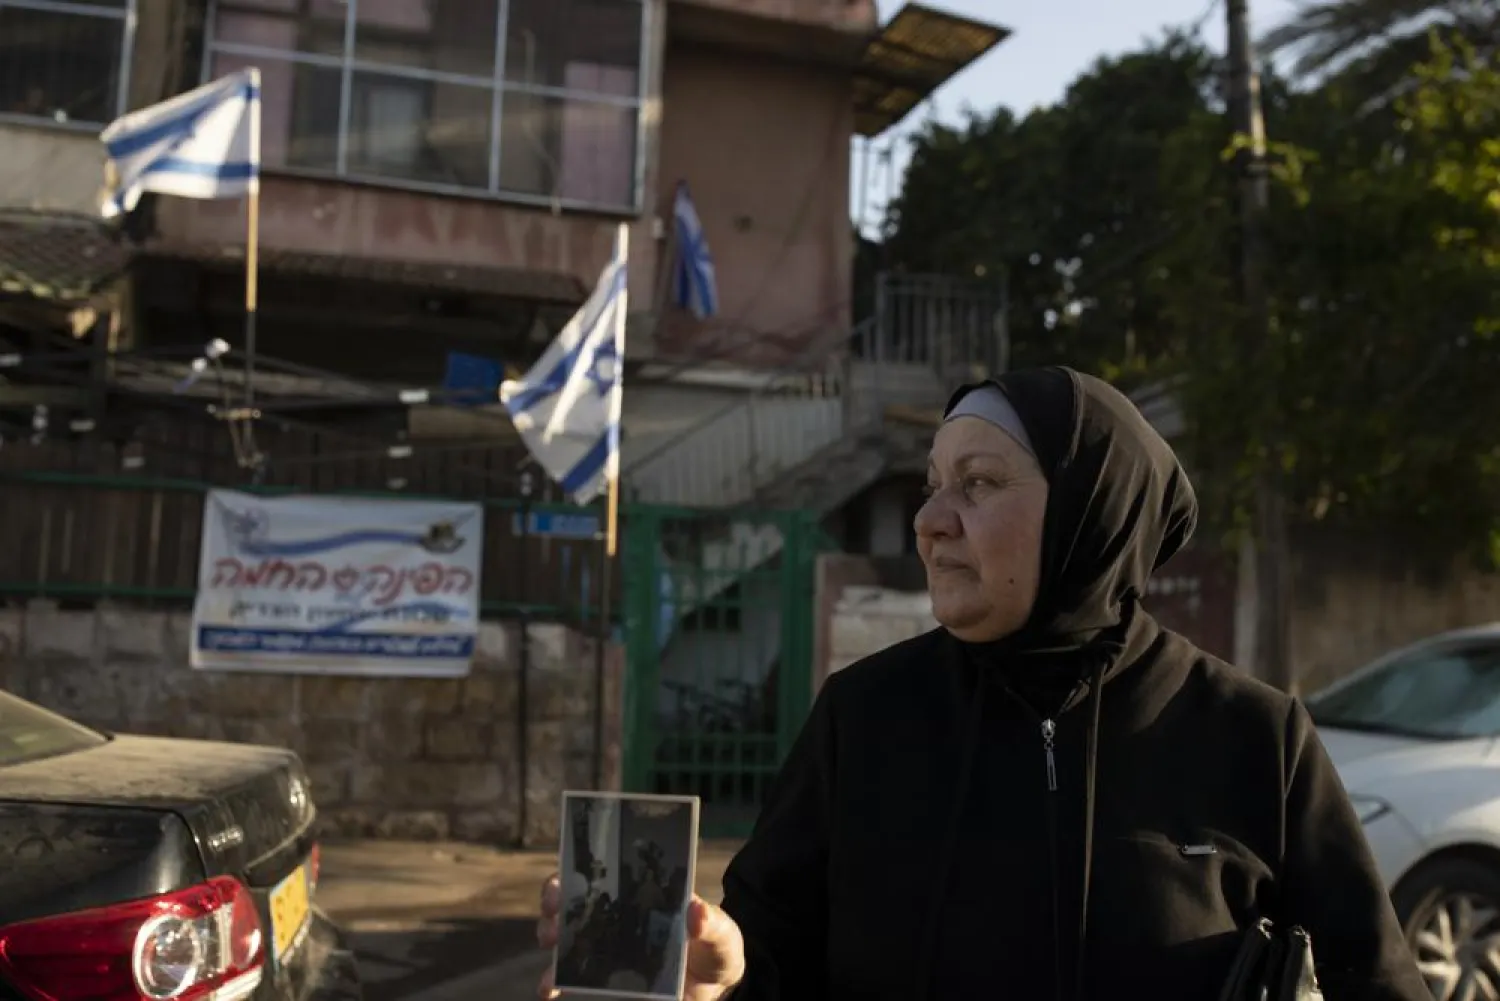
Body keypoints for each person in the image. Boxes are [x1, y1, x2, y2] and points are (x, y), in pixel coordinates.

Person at [538, 366, 1430, 1001]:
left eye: (978, 483)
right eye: (931, 485)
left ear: (1094, 512)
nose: (930, 522)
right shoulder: (863, 718)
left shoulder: (1254, 736)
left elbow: (1375, 982)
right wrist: (723, 968)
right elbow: (770, 958)